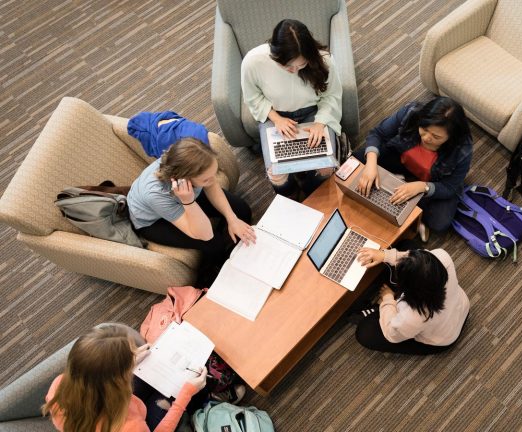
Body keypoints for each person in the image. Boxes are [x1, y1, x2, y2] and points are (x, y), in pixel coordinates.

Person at [127, 138, 255, 287]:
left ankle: (230, 243)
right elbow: (205, 234)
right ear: (184, 179)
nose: (213, 179)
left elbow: (211, 185)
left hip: (185, 194)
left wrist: (232, 219)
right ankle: (209, 275)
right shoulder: (155, 194)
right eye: (206, 179)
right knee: (214, 243)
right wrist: (188, 201)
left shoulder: (190, 162)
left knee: (242, 211)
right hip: (153, 221)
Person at [241, 18, 343, 199]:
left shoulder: (324, 60)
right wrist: (276, 119)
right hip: (275, 115)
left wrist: (320, 123)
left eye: (301, 65)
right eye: (287, 66)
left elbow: (331, 96)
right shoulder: (253, 61)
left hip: (314, 113)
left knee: (326, 166)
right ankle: (291, 197)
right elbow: (252, 97)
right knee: (276, 173)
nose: (295, 70)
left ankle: (313, 196)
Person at [43, 324, 207, 432]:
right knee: (179, 390)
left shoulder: (59, 384)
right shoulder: (131, 427)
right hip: (136, 422)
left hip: (116, 407)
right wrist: (185, 395)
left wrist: (129, 361)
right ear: (117, 381)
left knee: (154, 372)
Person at [354, 97, 473, 242]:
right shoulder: (411, 112)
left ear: (451, 137)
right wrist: (371, 163)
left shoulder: (463, 150)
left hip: (433, 180)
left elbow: (450, 187)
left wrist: (423, 187)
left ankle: (396, 185)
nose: (427, 138)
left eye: (436, 136)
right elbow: (378, 133)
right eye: (424, 129)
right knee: (357, 160)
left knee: (439, 223)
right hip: (400, 158)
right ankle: (406, 197)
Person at [353, 247, 470, 355]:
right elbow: (419, 257)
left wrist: (387, 298)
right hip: (461, 307)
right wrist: (384, 255)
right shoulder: (442, 257)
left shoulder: (413, 317)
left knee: (364, 333)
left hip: (443, 338)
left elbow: (391, 334)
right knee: (406, 245)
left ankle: (378, 309)